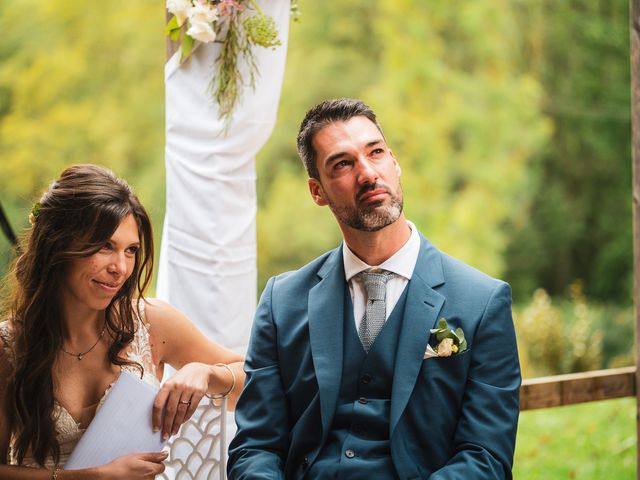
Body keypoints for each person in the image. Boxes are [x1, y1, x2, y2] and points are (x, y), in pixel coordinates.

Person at [228, 99, 521, 479]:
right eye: (343, 164)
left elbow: (487, 457)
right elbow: (256, 446)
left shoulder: (482, 302)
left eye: (376, 152)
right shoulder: (282, 302)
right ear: (317, 191)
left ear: (395, 164)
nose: (367, 173)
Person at [0, 164, 245, 479]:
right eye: (106, 246)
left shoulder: (151, 322)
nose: (121, 267)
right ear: (58, 245)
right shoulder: (9, 348)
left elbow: (258, 382)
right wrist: (89, 477)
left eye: (131, 251)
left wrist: (207, 372)